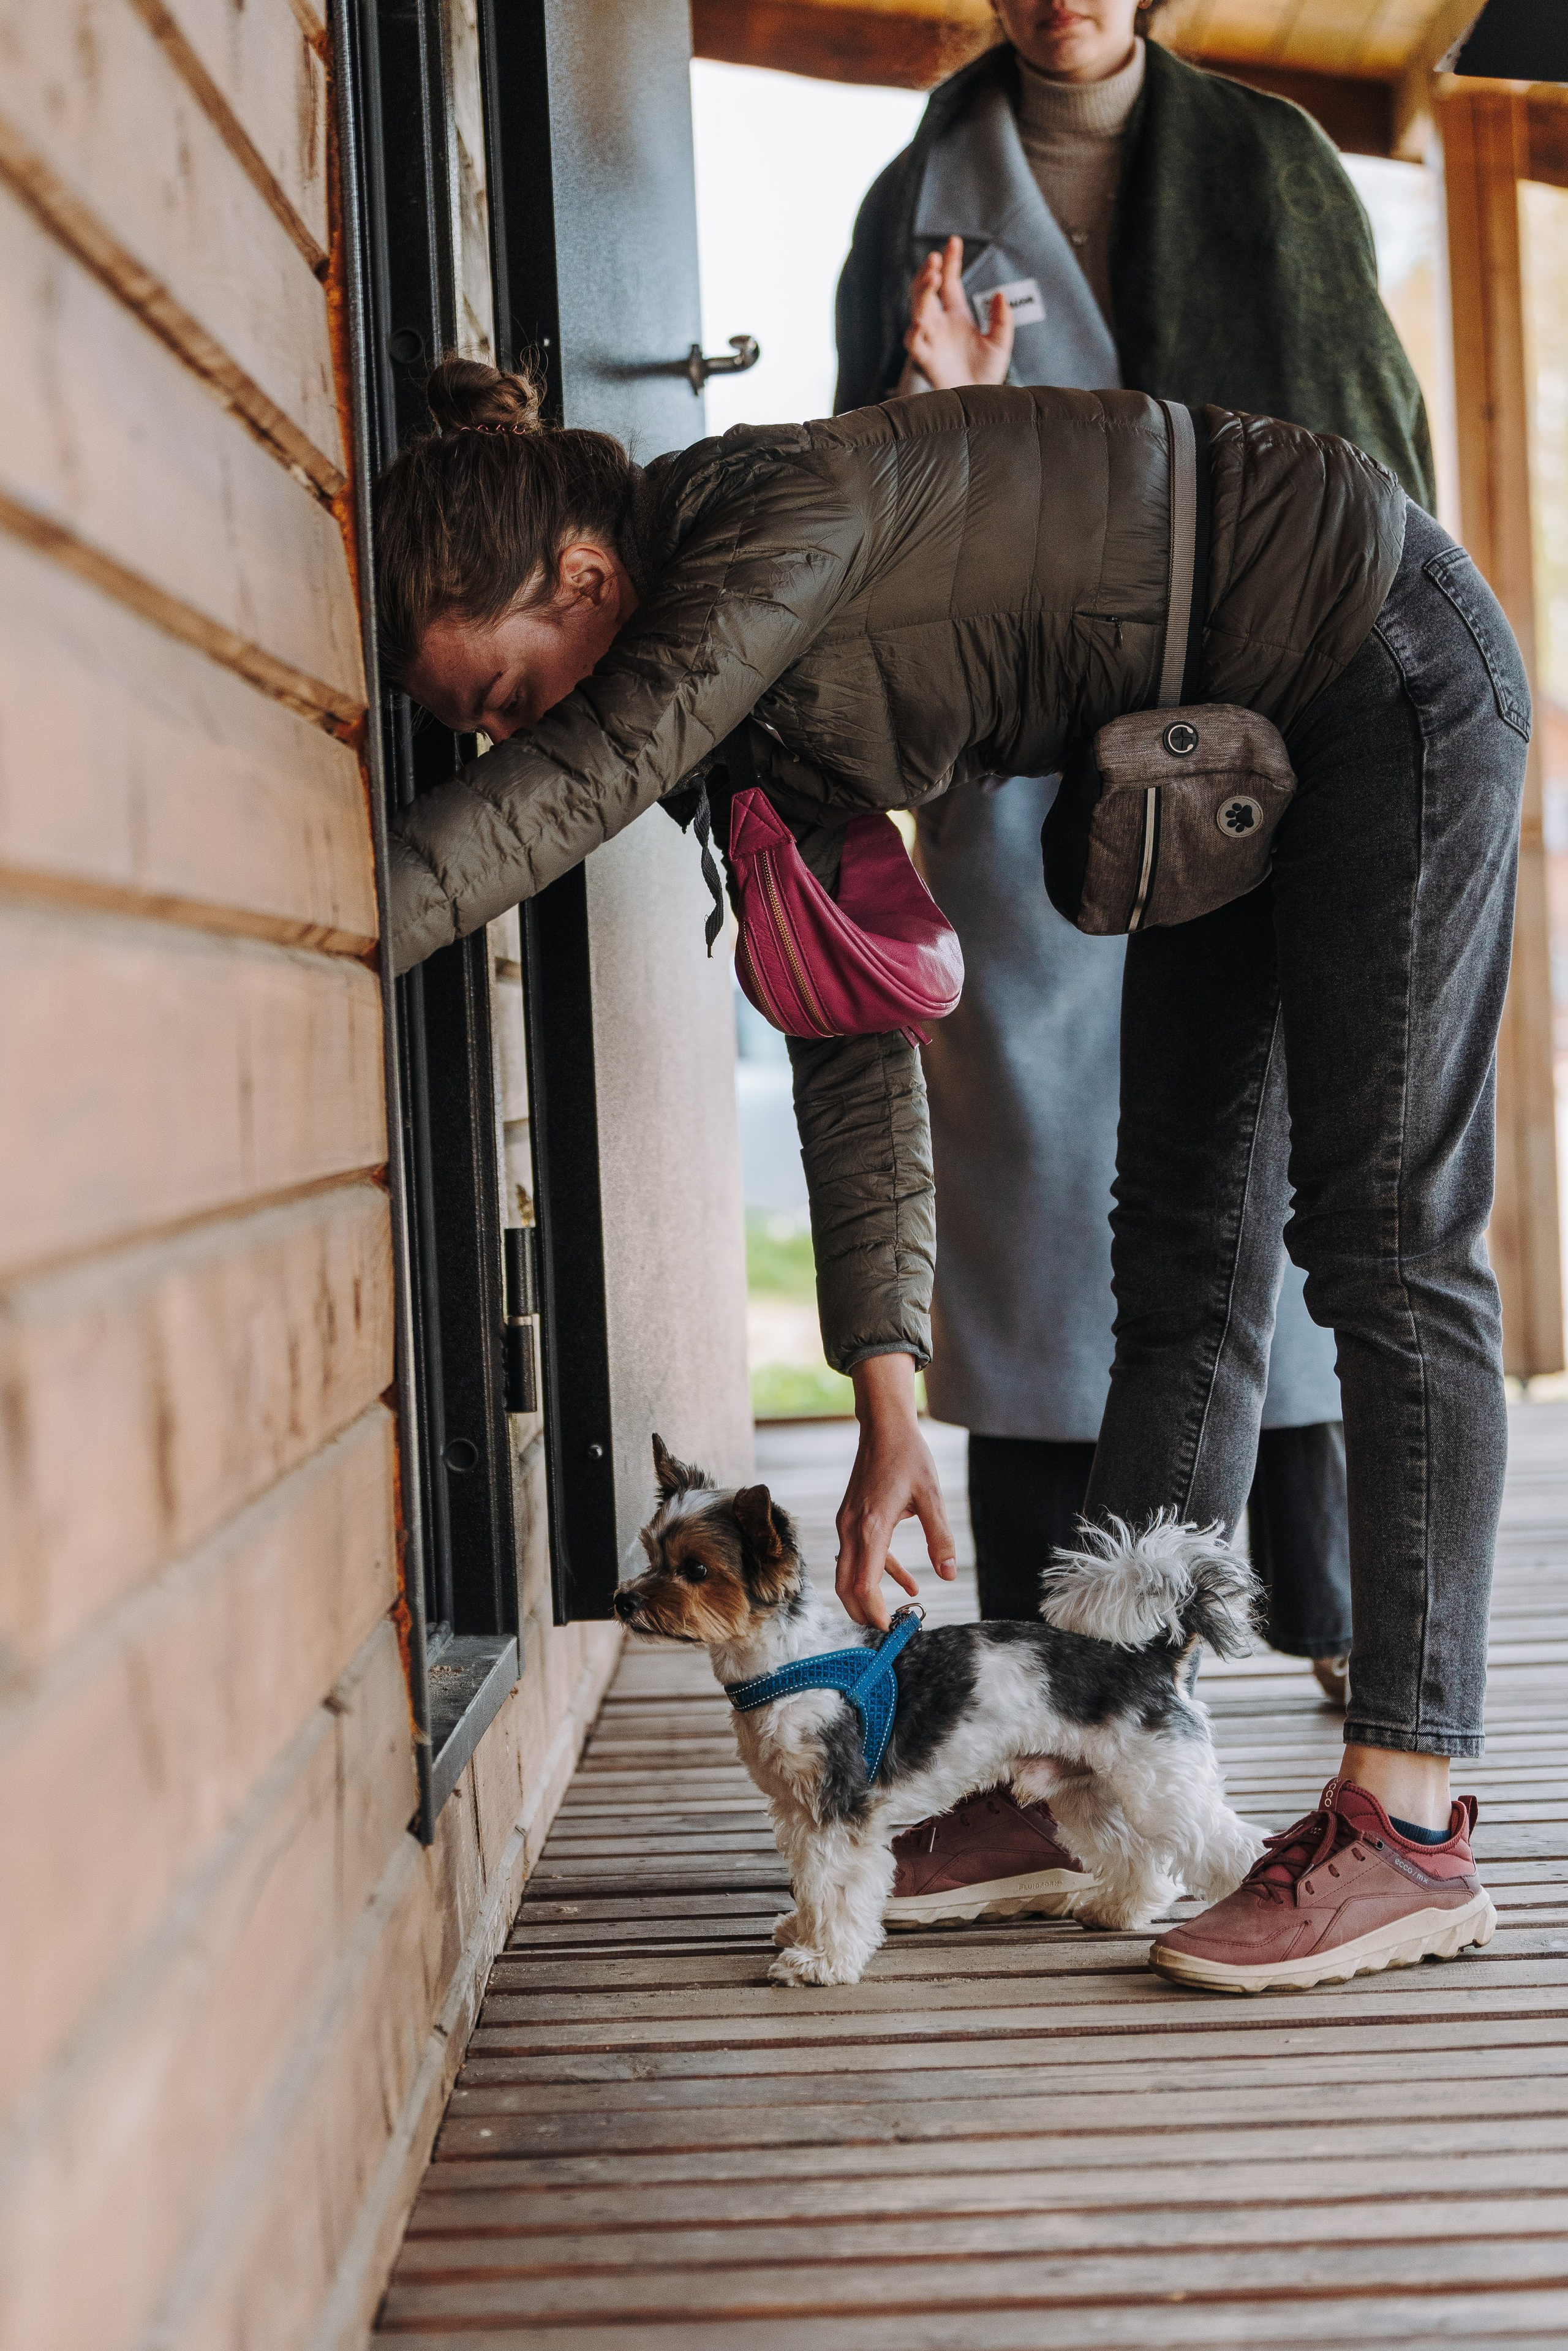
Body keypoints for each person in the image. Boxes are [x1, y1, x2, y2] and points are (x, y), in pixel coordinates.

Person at [380, 354, 1524, 1993]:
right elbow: (851, 1036)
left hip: (1382, 662)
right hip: (1231, 752)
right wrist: (888, 1404)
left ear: (583, 578)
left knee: (1387, 1237)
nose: (506, 738)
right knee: (1187, 1245)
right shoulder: (742, 729)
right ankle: (1068, 1775)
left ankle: (1409, 1820)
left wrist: (319, 927)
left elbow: (583, 776)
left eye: (500, 695)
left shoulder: (771, 520)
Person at [833, 0, 1439, 1732]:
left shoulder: (1271, 163)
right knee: (1030, 1171)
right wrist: (940, 417)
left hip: (1244, 728)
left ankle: (1318, 1596)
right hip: (1024, 752)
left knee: (1267, 1137)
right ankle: (1047, 1642)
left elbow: (1368, 450)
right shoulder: (916, 192)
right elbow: (854, 492)